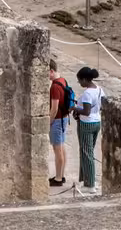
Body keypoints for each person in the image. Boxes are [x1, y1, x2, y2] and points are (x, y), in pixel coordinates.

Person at [74, 66, 104, 192]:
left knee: (87, 154)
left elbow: (86, 112)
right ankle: (87, 179)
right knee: (88, 152)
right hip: (96, 122)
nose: (80, 83)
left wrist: (74, 109)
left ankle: (90, 185)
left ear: (85, 80)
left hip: (87, 124)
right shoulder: (99, 90)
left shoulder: (87, 93)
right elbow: (101, 106)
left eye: (80, 80)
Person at [48, 60, 74, 188]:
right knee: (62, 148)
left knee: (57, 149)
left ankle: (58, 178)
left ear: (51, 71)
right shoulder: (63, 80)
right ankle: (61, 175)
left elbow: (54, 109)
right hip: (64, 119)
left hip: (57, 121)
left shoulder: (54, 87)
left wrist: (49, 123)